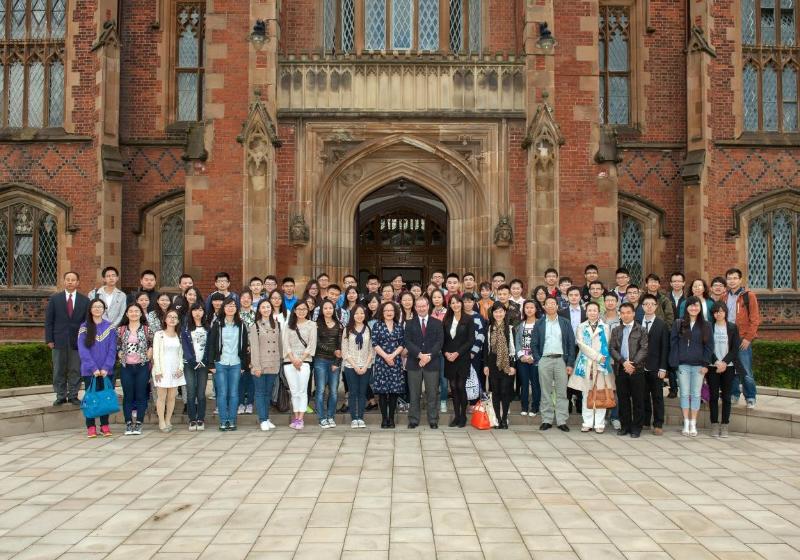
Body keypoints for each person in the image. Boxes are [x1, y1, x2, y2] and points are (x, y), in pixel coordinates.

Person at [669, 296, 713, 437]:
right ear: (686, 308)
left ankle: (693, 423)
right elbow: (673, 344)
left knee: (696, 394)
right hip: (683, 365)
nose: (694, 308)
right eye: (691, 306)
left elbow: (709, 346)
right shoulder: (679, 323)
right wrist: (675, 362)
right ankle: (686, 422)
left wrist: (706, 364)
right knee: (684, 393)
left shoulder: (706, 325)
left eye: (696, 306)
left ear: (700, 308)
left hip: (699, 366)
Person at [532, 296, 576, 432]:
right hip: (544, 360)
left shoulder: (565, 322)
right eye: (547, 304)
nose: (550, 306)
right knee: (546, 391)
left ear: (557, 306)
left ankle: (562, 420)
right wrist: (539, 359)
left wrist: (569, 363)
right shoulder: (539, 323)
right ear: (544, 307)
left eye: (553, 304)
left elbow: (570, 343)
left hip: (561, 360)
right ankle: (547, 419)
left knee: (562, 391)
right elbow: (534, 344)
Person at [568, 301, 613, 433]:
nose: (592, 313)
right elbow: (581, 345)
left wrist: (601, 359)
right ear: (586, 312)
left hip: (602, 364)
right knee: (586, 393)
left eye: (594, 310)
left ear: (598, 312)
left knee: (600, 393)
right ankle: (587, 422)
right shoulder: (581, 327)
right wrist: (597, 356)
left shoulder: (605, 327)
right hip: (585, 363)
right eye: (589, 310)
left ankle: (599, 423)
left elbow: (608, 344)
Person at [45, 271, 89, 405]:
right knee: (59, 369)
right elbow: (49, 321)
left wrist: (85, 341)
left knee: (75, 369)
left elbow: (87, 323)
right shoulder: (55, 299)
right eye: (68, 279)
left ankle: (74, 395)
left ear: (78, 283)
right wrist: (49, 339)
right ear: (64, 281)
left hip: (77, 342)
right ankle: (60, 395)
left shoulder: (85, 300)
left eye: (73, 280)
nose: (70, 282)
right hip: (58, 340)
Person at [77, 298, 118, 437]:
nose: (97, 309)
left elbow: (113, 349)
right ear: (90, 309)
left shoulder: (110, 327)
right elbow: (83, 350)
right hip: (90, 371)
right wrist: (93, 368)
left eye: (100, 307)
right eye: (95, 307)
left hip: (107, 371)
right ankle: (91, 426)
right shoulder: (84, 327)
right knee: (91, 397)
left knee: (105, 397)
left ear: (104, 309)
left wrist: (106, 367)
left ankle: (105, 425)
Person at [208, 297, 249, 431]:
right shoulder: (218, 324)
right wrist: (211, 365)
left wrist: (244, 365)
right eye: (228, 306)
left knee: (233, 393)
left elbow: (244, 347)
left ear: (236, 308)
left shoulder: (241, 325)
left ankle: (231, 420)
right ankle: (223, 420)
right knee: (222, 393)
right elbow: (212, 344)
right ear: (223, 308)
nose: (230, 308)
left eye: (233, 305)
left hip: (236, 363)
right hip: (221, 363)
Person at [723, 268, 761, 409]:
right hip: (728, 339)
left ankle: (750, 397)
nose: (732, 281)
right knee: (732, 369)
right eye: (729, 278)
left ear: (740, 280)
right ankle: (734, 395)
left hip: (742, 338)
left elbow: (755, 319)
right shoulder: (724, 296)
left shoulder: (748, 296)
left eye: (734, 278)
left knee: (745, 370)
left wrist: (748, 338)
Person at [404, 296, 444, 429]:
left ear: (428, 307)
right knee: (414, 393)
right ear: (415, 308)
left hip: (432, 363)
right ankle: (413, 420)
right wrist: (420, 355)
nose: (421, 308)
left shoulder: (437, 323)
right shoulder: (409, 323)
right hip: (414, 363)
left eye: (424, 306)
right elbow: (407, 342)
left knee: (432, 393)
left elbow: (439, 342)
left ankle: (433, 419)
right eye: (419, 306)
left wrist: (428, 356)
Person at [610, 302, 649, 438]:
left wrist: (632, 364)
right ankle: (625, 426)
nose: (625, 315)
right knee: (623, 399)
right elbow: (612, 349)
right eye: (623, 313)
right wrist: (623, 362)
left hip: (636, 370)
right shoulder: (616, 330)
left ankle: (636, 427)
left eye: (628, 312)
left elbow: (644, 349)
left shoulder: (642, 330)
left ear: (633, 314)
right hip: (621, 369)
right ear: (620, 314)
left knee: (638, 400)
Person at [117, 302, 153, 436]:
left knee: (141, 395)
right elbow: (117, 345)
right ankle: (128, 423)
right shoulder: (120, 329)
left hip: (142, 366)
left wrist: (151, 350)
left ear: (140, 313)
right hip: (127, 367)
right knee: (128, 395)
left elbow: (152, 343)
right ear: (127, 314)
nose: (134, 313)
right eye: (131, 311)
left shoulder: (146, 329)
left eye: (136, 311)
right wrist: (119, 352)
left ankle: (138, 423)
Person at [249, 298, 283, 431]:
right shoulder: (255, 326)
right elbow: (254, 348)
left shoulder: (277, 324)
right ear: (259, 310)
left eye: (268, 307)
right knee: (260, 392)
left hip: (273, 363)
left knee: (268, 393)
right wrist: (256, 366)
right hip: (260, 364)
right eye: (263, 307)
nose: (266, 309)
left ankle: (267, 418)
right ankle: (262, 419)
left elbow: (280, 345)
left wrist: (280, 361)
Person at [282, 300, 317, 429]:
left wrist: (300, 359)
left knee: (302, 391)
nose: (301, 311)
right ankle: (295, 417)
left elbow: (311, 344)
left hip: (305, 362)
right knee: (294, 391)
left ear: (308, 311)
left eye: (304, 309)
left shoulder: (312, 325)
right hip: (289, 362)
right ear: (295, 311)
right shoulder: (288, 325)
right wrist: (292, 359)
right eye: (299, 309)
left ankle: (300, 419)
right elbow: (285, 344)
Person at [707, 302, 740, 438]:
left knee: (726, 397)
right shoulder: (709, 327)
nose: (718, 314)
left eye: (721, 311)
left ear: (725, 312)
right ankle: (714, 424)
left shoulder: (732, 327)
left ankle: (725, 425)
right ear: (713, 314)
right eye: (716, 312)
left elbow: (735, 348)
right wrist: (716, 361)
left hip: (728, 367)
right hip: (712, 366)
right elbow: (707, 347)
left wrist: (724, 362)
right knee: (713, 397)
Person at [442, 295, 475, 428]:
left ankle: (463, 416)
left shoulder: (469, 319)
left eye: (457, 303)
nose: (455, 305)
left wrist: (457, 353)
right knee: (454, 387)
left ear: (461, 304)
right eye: (452, 303)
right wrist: (445, 353)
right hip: (449, 358)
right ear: (450, 305)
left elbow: (470, 340)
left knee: (461, 386)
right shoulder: (446, 320)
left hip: (462, 358)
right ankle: (456, 416)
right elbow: (442, 340)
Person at [371, 302, 405, 428]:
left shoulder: (399, 327)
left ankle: (391, 419)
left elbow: (402, 344)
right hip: (381, 362)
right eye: (386, 310)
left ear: (395, 312)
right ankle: (384, 419)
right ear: (382, 312)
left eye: (391, 310)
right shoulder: (377, 325)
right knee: (382, 392)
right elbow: (374, 343)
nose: (389, 312)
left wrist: (393, 356)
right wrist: (386, 356)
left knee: (393, 392)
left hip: (395, 362)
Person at [483, 301, 516, 429]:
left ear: (505, 312)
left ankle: (504, 418)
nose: (498, 314)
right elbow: (486, 349)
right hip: (492, 362)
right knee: (495, 391)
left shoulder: (511, 328)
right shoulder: (489, 329)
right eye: (496, 311)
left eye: (501, 311)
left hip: (507, 362)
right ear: (493, 313)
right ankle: (497, 418)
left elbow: (513, 348)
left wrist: (513, 365)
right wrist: (486, 365)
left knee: (505, 391)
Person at [640, 294, 669, 436]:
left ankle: (658, 423)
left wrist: (663, 367)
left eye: (652, 304)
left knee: (657, 396)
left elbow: (665, 347)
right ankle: (645, 421)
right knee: (643, 395)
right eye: (646, 304)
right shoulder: (637, 322)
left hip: (656, 366)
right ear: (642, 306)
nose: (649, 306)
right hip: (640, 366)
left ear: (656, 306)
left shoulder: (661, 324)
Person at [152, 308, 185, 432]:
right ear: (165, 319)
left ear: (178, 321)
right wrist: (158, 371)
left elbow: (181, 354)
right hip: (162, 370)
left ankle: (168, 420)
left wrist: (181, 368)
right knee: (161, 397)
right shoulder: (159, 334)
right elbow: (156, 353)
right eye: (170, 316)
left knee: (172, 397)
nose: (172, 319)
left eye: (175, 317)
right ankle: (161, 421)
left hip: (175, 370)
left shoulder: (179, 335)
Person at [342, 305, 375, 428]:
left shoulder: (368, 329)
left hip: (366, 365)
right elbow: (345, 351)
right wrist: (355, 366)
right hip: (351, 366)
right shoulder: (347, 330)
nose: (359, 315)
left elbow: (371, 350)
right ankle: (353, 418)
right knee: (353, 392)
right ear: (352, 315)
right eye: (356, 313)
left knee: (362, 393)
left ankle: (360, 418)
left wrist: (365, 365)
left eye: (362, 313)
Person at [180, 302, 210, 431]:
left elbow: (210, 346)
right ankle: (192, 419)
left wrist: (204, 361)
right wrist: (192, 361)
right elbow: (185, 347)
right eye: (195, 310)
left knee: (201, 393)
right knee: (191, 392)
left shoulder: (208, 328)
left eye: (200, 310)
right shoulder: (185, 328)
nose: (198, 312)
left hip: (203, 364)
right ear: (191, 312)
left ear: (204, 312)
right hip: (189, 364)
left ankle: (201, 419)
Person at [314, 300, 343, 428]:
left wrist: (337, 362)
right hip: (320, 360)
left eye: (330, 308)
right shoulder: (316, 324)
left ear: (334, 310)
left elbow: (340, 346)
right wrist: (333, 351)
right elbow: (317, 344)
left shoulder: (339, 325)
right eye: (325, 308)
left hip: (334, 363)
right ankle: (321, 418)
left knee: (334, 391)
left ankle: (331, 416)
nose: (328, 310)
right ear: (321, 310)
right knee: (320, 390)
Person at [237, 289, 256, 415]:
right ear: (240, 300)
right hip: (238, 351)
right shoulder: (235, 314)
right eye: (243, 297)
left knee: (251, 377)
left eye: (248, 297)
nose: (246, 299)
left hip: (254, 351)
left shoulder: (257, 314)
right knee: (240, 378)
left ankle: (249, 403)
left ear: (252, 299)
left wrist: (252, 346)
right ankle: (239, 403)